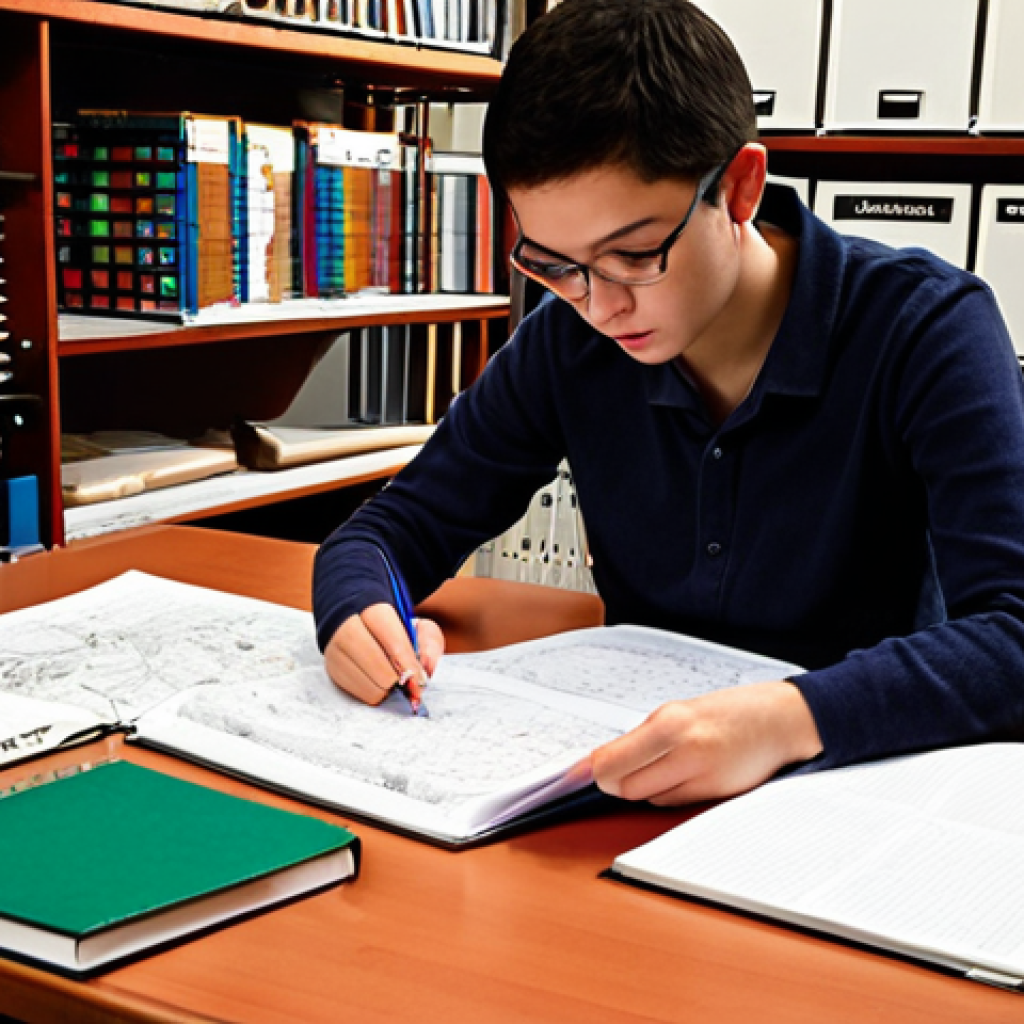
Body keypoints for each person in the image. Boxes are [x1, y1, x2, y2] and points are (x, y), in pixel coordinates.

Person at [313, 0, 1024, 805]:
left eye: (634, 254)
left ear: (741, 187)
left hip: (857, 789)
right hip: (633, 791)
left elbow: (1013, 635)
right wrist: (356, 608)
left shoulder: (926, 328)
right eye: (552, 264)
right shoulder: (569, 341)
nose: (598, 305)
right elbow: (388, 530)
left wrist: (784, 720)